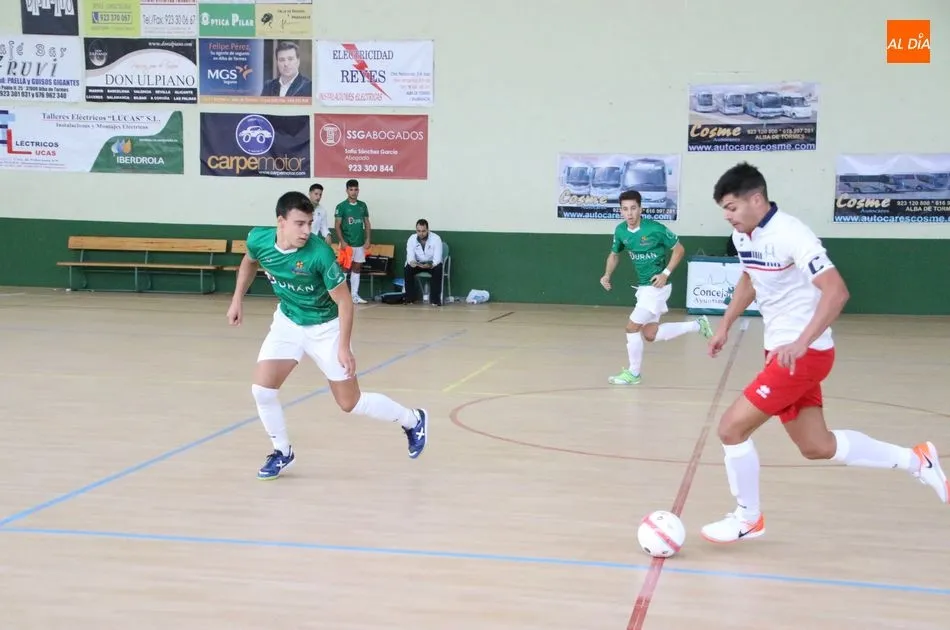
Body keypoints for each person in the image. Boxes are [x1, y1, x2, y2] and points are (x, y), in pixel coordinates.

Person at [701, 162, 947, 544]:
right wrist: (725, 325)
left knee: (730, 429)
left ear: (756, 198)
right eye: (724, 210)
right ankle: (917, 459)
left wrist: (801, 341)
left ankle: (748, 518)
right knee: (817, 446)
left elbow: (837, 291)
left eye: (732, 207)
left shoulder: (793, 235)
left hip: (803, 354)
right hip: (781, 353)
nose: (727, 216)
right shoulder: (743, 238)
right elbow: (749, 278)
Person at [227, 191, 428, 480]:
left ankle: (412, 419)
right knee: (262, 391)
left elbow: (345, 302)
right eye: (300, 224)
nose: (307, 231)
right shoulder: (258, 239)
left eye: (309, 223)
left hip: (325, 327)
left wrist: (344, 347)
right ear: (280, 222)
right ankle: (282, 451)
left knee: (350, 403)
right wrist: (237, 299)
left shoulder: (319, 253)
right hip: (288, 321)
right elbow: (249, 261)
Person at [600, 189, 713, 385]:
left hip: (656, 288)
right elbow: (614, 254)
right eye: (625, 209)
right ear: (620, 211)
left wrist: (665, 273)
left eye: (633, 208)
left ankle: (633, 374)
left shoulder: (656, 229)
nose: (630, 213)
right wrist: (607, 274)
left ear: (640, 208)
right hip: (643, 289)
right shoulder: (620, 231)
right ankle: (697, 325)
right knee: (650, 334)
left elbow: (679, 249)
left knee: (631, 327)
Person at [334, 179, 371, 304]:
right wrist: (342, 241)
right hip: (347, 244)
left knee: (357, 269)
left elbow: (367, 223)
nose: (353, 192)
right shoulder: (341, 206)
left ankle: (354, 295)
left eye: (356, 189)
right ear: (347, 191)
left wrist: (368, 239)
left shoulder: (362, 205)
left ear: (358, 190)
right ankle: (341, 296)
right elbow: (337, 225)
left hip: (360, 244)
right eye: (351, 189)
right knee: (344, 269)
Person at [403, 219, 444, 306]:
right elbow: (410, 256)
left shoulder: (436, 238)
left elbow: (437, 258)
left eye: (423, 231)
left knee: (438, 269)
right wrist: (413, 263)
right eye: (419, 231)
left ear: (428, 230)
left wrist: (430, 264)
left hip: (431, 264)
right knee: (407, 269)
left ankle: (435, 300)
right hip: (418, 263)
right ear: (416, 230)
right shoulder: (411, 239)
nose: (421, 233)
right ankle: (410, 298)